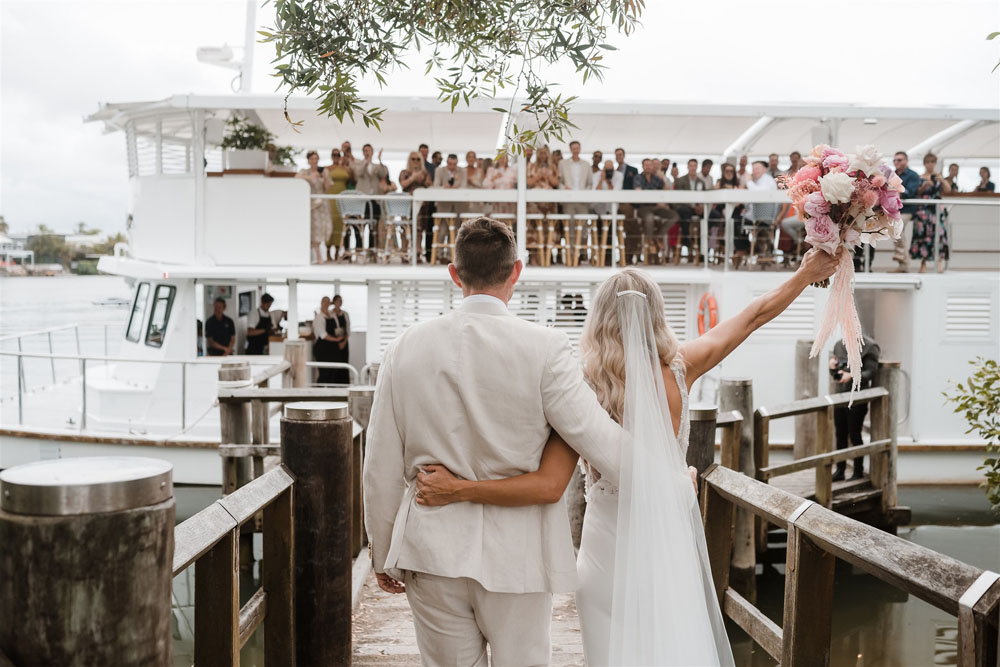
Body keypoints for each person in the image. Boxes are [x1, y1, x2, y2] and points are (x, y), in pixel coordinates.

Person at [413, 249, 841, 666]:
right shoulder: (681, 367)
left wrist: (459, 486)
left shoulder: (581, 389)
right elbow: (753, 317)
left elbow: (548, 480)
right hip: (667, 547)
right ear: (656, 315)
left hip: (604, 553)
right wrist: (805, 273)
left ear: (598, 320)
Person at [363, 217, 628, 667]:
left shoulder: (405, 347)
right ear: (515, 272)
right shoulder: (545, 347)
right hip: (519, 557)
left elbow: (380, 463)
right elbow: (600, 440)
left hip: (431, 550)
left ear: (454, 273)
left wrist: (384, 550)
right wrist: (668, 476)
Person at [829, 335, 881, 481]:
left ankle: (858, 471)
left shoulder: (870, 346)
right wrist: (832, 368)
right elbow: (837, 375)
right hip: (840, 397)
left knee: (855, 434)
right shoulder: (839, 344)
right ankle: (840, 470)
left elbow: (870, 373)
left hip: (858, 399)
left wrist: (851, 376)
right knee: (840, 435)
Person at [910, 152, 949, 273]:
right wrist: (925, 185)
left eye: (932, 162)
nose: (930, 164)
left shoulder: (939, 177)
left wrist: (942, 180)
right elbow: (917, 193)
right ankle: (923, 262)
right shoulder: (920, 177)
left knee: (939, 233)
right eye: (927, 162)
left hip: (936, 209)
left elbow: (948, 190)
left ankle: (939, 261)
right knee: (923, 235)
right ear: (924, 163)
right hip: (923, 209)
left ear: (935, 163)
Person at [296, 151, 333, 264]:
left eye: (316, 158)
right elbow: (296, 177)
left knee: (323, 228)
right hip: (311, 205)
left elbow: (328, 187)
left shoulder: (324, 171)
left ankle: (317, 255)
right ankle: (318, 256)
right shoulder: (305, 171)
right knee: (314, 229)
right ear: (308, 160)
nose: (314, 160)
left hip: (322, 204)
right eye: (312, 158)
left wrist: (324, 177)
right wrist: (310, 177)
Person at [400, 151, 434, 262]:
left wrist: (421, 179)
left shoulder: (425, 173)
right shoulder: (404, 172)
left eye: (418, 159)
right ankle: (404, 253)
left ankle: (417, 253)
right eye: (413, 159)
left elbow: (429, 184)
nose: (415, 161)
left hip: (421, 206)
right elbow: (403, 184)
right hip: (406, 206)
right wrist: (413, 178)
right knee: (405, 228)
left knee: (419, 229)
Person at [891, 151, 921, 272]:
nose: (896, 162)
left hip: (907, 208)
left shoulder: (913, 175)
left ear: (906, 161)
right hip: (894, 208)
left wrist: (896, 188)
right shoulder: (892, 175)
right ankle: (903, 262)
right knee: (895, 229)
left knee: (898, 228)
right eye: (895, 160)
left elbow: (910, 192)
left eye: (899, 160)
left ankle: (902, 257)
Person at [312, 295, 351, 384]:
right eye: (324, 302)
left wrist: (341, 339)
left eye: (328, 302)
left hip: (332, 347)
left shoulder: (332, 315)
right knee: (324, 372)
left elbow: (338, 329)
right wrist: (336, 340)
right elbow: (323, 335)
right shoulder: (319, 317)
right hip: (322, 348)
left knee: (334, 371)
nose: (326, 304)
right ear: (321, 303)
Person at [325, 148, 352, 261]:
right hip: (331, 197)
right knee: (331, 222)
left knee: (340, 224)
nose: (336, 156)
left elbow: (352, 179)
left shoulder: (345, 169)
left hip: (342, 198)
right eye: (334, 155)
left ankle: (337, 251)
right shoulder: (327, 168)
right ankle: (327, 251)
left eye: (337, 155)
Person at [559, 140, 593, 216]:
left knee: (583, 223)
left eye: (577, 148)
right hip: (568, 198)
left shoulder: (586, 164)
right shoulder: (563, 163)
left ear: (580, 149)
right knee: (569, 224)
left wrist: (585, 192)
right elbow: (559, 181)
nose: (575, 150)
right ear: (570, 149)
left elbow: (590, 183)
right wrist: (564, 188)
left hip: (582, 200)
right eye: (573, 148)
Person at [526, 145, 559, 215]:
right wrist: (538, 176)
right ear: (538, 154)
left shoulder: (553, 166)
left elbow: (556, 183)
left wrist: (548, 175)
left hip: (549, 199)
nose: (543, 156)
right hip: (534, 198)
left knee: (550, 222)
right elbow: (529, 183)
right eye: (541, 153)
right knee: (534, 221)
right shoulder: (531, 166)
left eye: (545, 153)